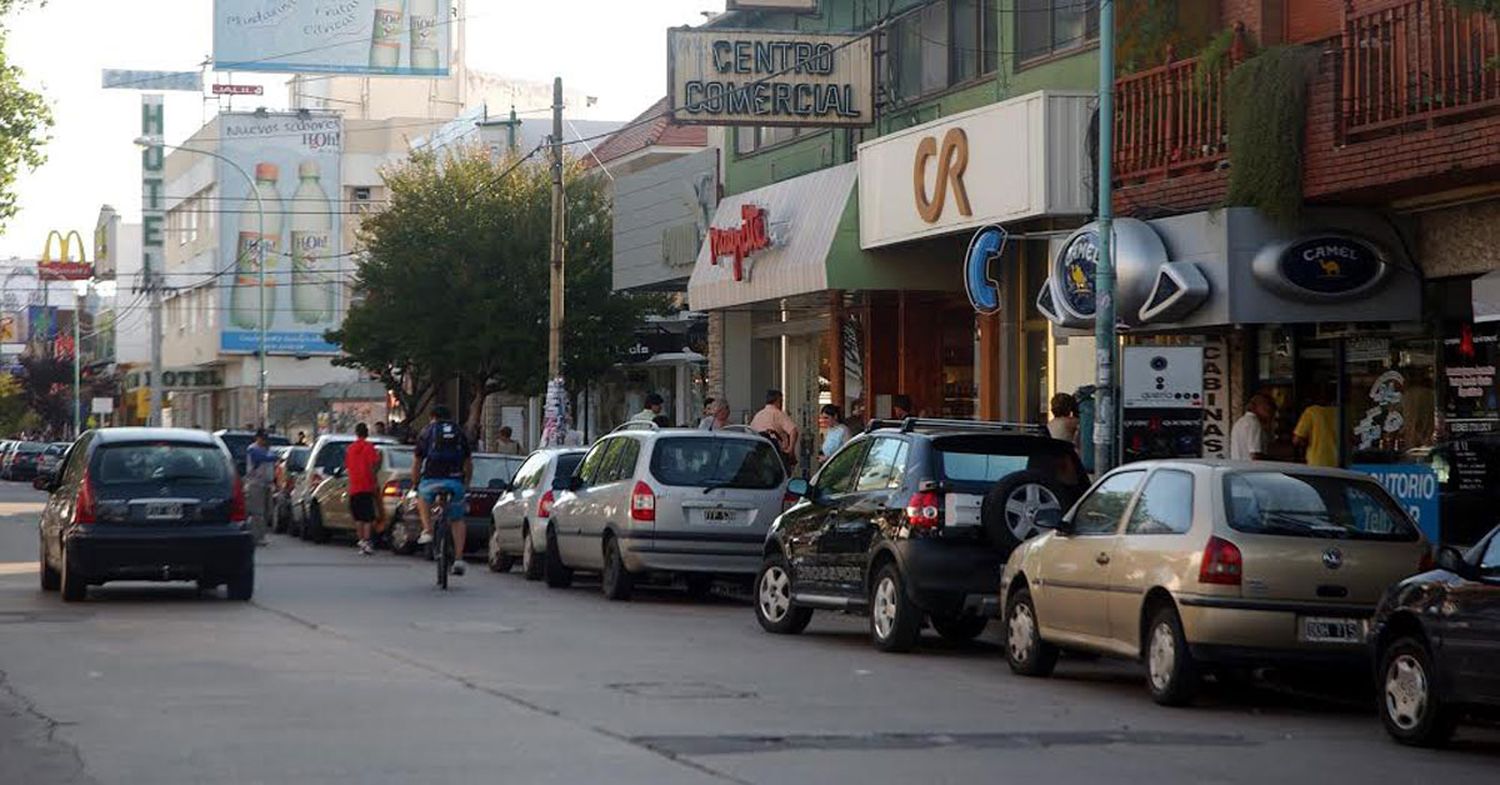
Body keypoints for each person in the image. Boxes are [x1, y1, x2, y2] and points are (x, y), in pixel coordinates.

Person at [412, 405, 474, 576]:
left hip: (432, 478)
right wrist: (466, 482)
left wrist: (416, 483)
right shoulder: (459, 432)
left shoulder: (427, 432)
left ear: (432, 417)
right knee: (458, 519)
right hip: (455, 480)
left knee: (423, 498)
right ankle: (459, 559)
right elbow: (468, 462)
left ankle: (427, 530)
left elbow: (417, 461)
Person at [345, 423, 382, 555]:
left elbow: (348, 466)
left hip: (354, 486)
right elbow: (374, 465)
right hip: (367, 486)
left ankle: (361, 541)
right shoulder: (369, 447)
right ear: (366, 432)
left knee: (358, 518)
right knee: (367, 517)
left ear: (356, 433)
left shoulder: (350, 448)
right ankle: (366, 541)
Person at [749, 389, 800, 467]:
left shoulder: (758, 415)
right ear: (778, 400)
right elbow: (793, 431)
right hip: (776, 455)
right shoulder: (778, 414)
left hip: (758, 456)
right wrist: (791, 449)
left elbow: (750, 432)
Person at [244, 429, 277, 547]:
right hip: (256, 483)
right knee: (257, 512)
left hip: (267, 483)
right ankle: (257, 536)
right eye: (262, 438)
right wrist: (271, 455)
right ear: (257, 438)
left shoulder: (267, 450)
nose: (264, 440)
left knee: (266, 511)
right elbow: (264, 458)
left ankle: (261, 535)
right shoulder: (253, 449)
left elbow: (274, 459)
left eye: (265, 438)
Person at [1294, 384, 1340, 467]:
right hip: (1339, 460)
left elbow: (1297, 440)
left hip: (1317, 460)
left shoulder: (1311, 412)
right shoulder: (1341, 412)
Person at [1230, 394, 1277, 461]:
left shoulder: (1240, 421)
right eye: (1268, 407)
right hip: (1251, 469)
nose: (1270, 412)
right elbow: (1255, 455)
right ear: (1258, 406)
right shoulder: (1254, 423)